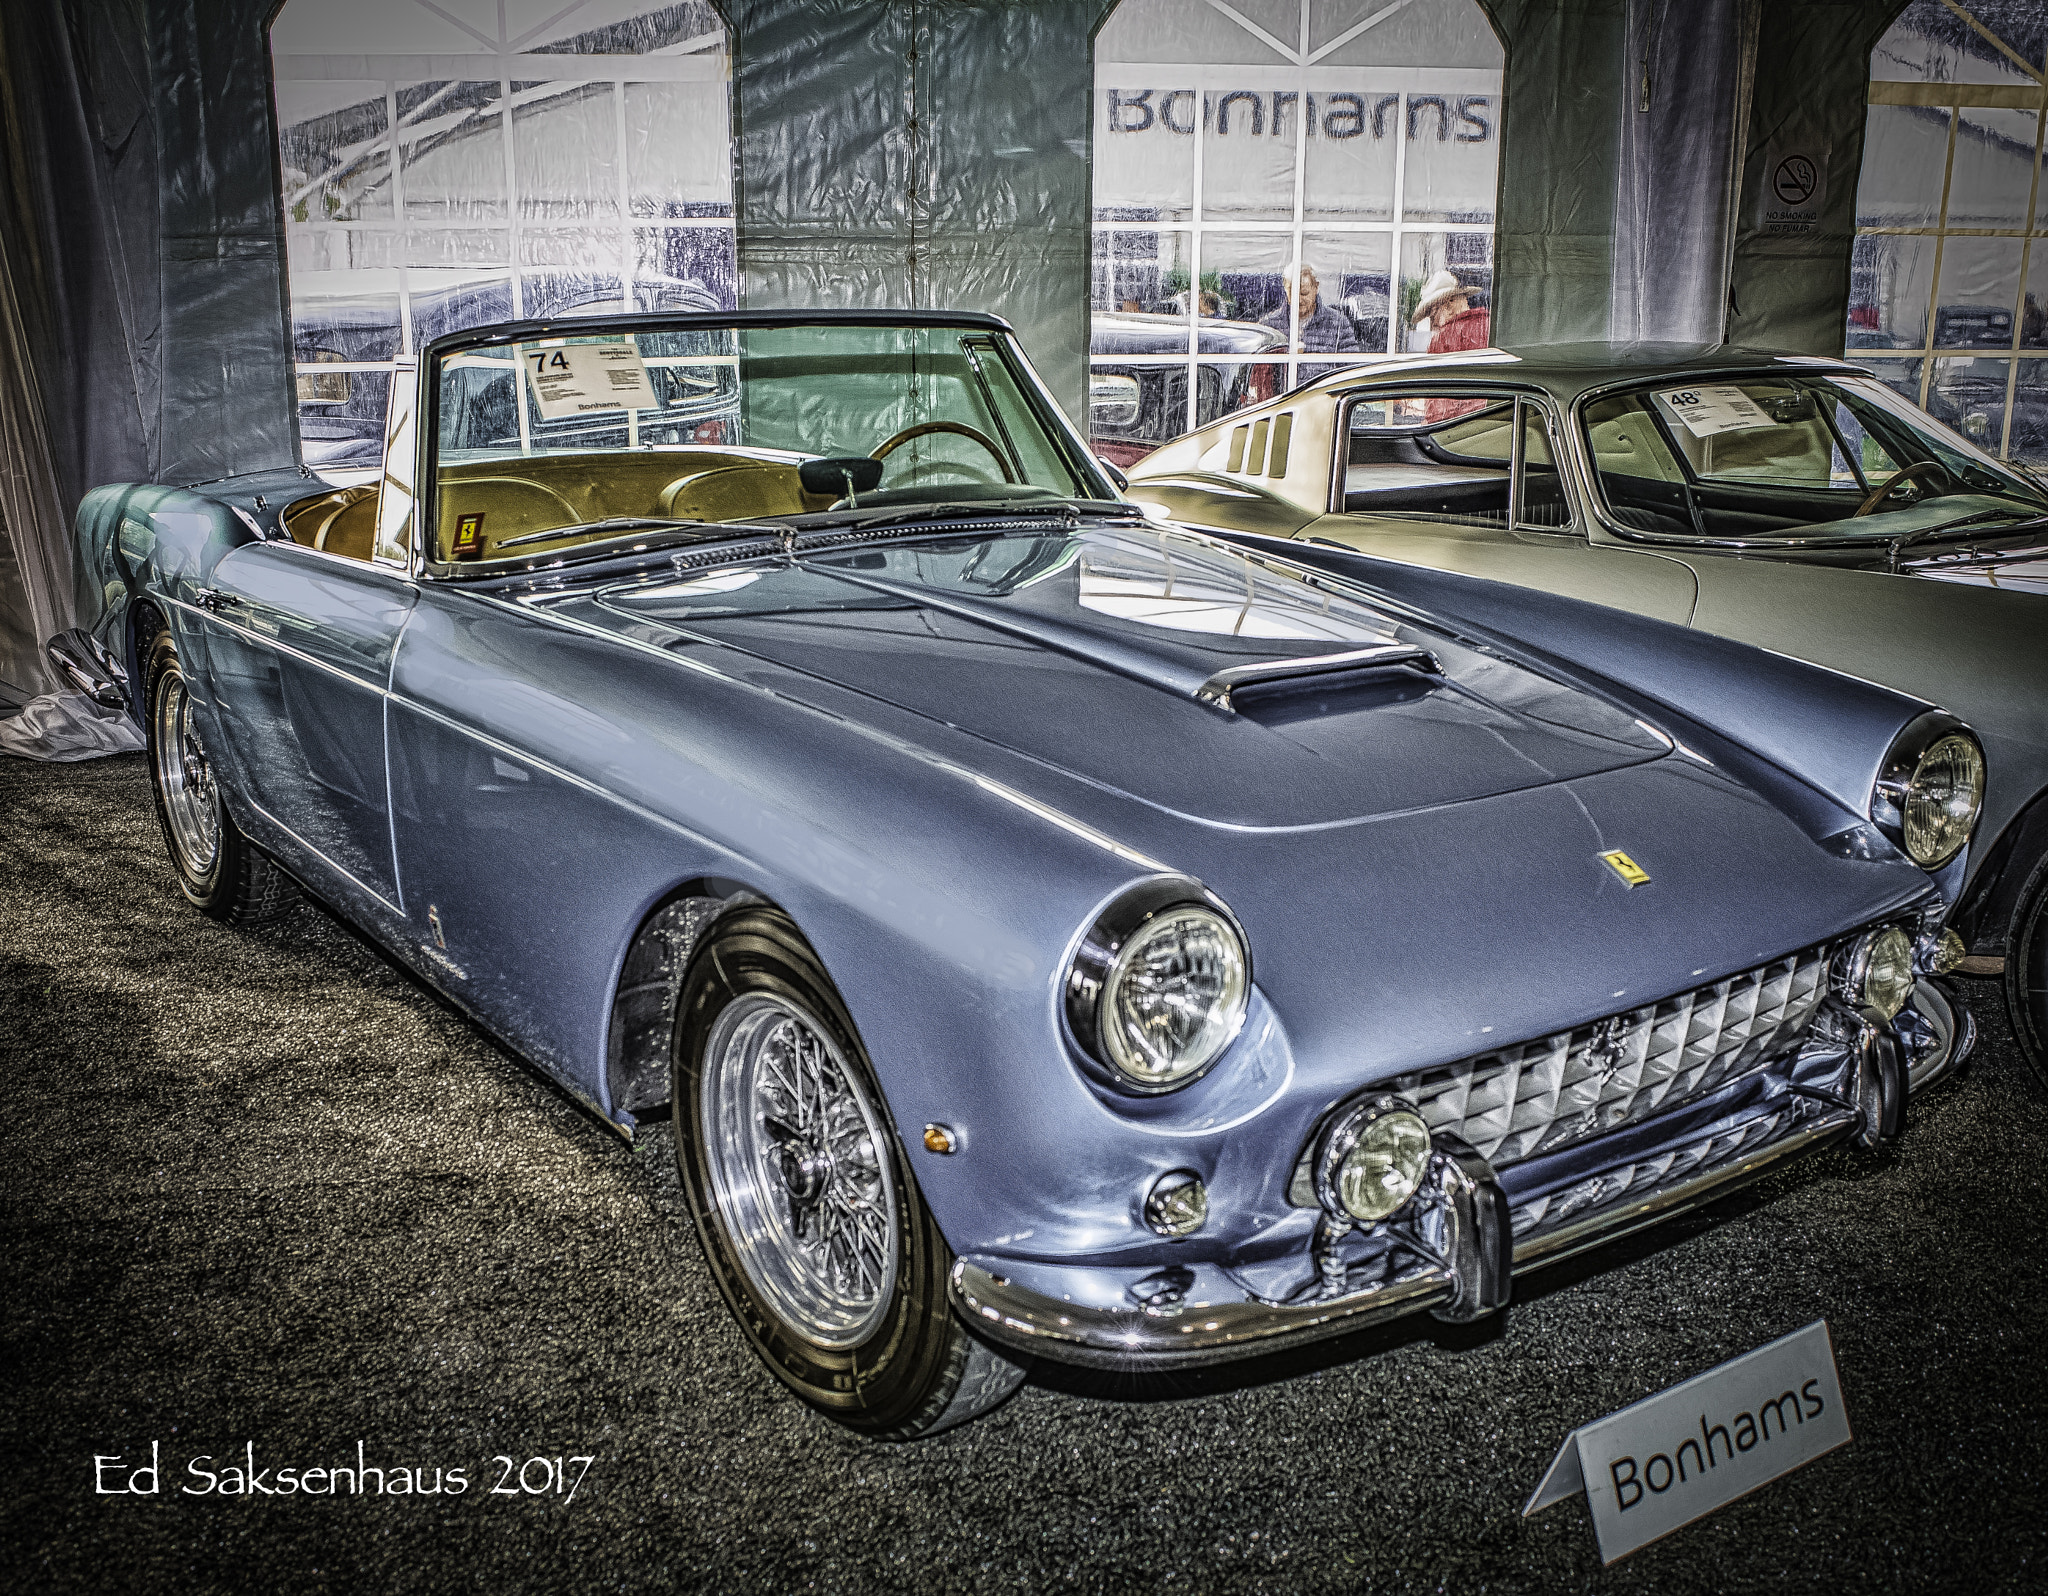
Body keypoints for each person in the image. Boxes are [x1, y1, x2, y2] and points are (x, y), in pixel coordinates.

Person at [1414, 269, 1491, 420]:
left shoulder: (1444, 338)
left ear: (1449, 302)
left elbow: (1438, 404)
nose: (1433, 322)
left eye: (1433, 313)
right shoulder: (1490, 326)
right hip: (1490, 421)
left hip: (1454, 428)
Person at [1259, 263, 1361, 354]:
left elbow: (1350, 366)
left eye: (1304, 293)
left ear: (1316, 288)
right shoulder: (1268, 325)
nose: (1298, 300)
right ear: (1285, 289)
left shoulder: (1338, 323)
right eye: (1293, 294)